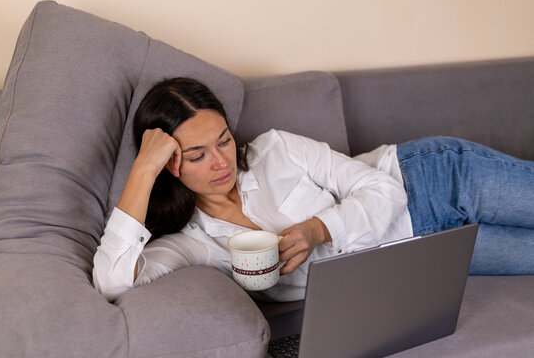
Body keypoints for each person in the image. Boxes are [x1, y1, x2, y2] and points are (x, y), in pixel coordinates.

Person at [93, 77, 534, 302]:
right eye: (197, 155)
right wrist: (142, 170)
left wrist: (318, 229)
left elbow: (382, 188)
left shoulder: (277, 149)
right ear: (170, 165)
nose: (222, 161)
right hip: (425, 254)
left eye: (224, 139)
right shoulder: (196, 245)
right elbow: (113, 283)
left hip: (432, 180)